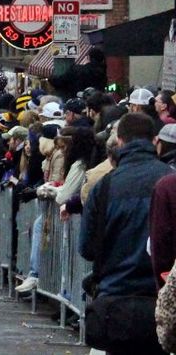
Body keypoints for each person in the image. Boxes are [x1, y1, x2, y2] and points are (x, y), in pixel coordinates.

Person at [80, 112, 172, 355]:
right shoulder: (169, 181)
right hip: (162, 299)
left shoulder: (105, 186)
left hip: (116, 299)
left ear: (119, 142)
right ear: (155, 141)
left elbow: (87, 248)